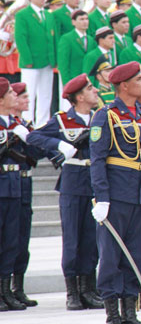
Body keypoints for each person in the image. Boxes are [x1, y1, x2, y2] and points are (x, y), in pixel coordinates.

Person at [28, 74, 103, 311]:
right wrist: (60, 145)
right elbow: (33, 136)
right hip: (72, 184)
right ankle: (73, 291)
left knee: (92, 241)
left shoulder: (99, 118)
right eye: (90, 89)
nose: (96, 92)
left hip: (95, 184)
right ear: (79, 97)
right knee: (73, 240)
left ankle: (88, 289)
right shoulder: (62, 120)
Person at [89, 62, 141, 324]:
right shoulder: (106, 115)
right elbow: (98, 159)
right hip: (116, 195)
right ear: (124, 85)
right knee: (111, 256)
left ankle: (130, 311)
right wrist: (102, 197)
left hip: (140, 195)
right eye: (139, 79)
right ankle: (113, 313)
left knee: (135, 254)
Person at [0, 78, 32, 311]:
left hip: (14, 186)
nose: (15, 96)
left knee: (12, 242)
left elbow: (35, 153)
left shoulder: (16, 124)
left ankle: (6, 291)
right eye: (11, 92)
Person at [9, 82, 41, 308]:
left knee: (21, 239)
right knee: (8, 239)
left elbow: (36, 154)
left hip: (23, 183)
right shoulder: (7, 127)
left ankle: (17, 288)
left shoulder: (24, 125)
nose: (27, 101)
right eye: (23, 97)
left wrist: (29, 138)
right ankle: (5, 290)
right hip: (8, 183)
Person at [14, 0, 57, 128]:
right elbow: (21, 37)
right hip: (31, 61)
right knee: (29, 94)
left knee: (45, 93)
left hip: (47, 60)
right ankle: (27, 122)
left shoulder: (48, 15)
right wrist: (27, 59)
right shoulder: (22, 14)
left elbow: (53, 37)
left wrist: (54, 58)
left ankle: (43, 123)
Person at [57, 10, 97, 110]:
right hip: (72, 78)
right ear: (73, 22)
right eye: (81, 19)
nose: (85, 22)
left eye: (86, 19)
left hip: (86, 80)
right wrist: (66, 83)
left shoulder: (91, 39)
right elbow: (63, 63)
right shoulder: (67, 38)